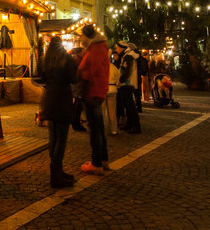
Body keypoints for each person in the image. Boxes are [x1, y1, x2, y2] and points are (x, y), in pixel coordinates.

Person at [40, 36, 78, 188]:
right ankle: (56, 175)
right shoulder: (66, 58)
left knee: (53, 137)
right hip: (62, 98)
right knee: (61, 138)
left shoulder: (46, 59)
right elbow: (74, 78)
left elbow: (41, 77)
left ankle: (57, 171)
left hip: (49, 98)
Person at [77, 24, 110, 175]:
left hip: (92, 92)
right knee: (99, 127)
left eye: (81, 36)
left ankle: (96, 163)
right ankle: (103, 160)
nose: (80, 39)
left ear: (87, 35)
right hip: (98, 90)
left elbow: (91, 71)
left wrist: (81, 80)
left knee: (95, 129)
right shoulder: (99, 47)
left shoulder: (95, 49)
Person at [114, 41, 141, 134]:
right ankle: (130, 124)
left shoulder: (128, 56)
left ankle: (136, 126)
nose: (116, 49)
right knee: (128, 104)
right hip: (126, 83)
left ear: (121, 48)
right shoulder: (127, 55)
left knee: (130, 105)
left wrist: (121, 79)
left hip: (127, 84)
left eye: (117, 48)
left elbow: (127, 71)